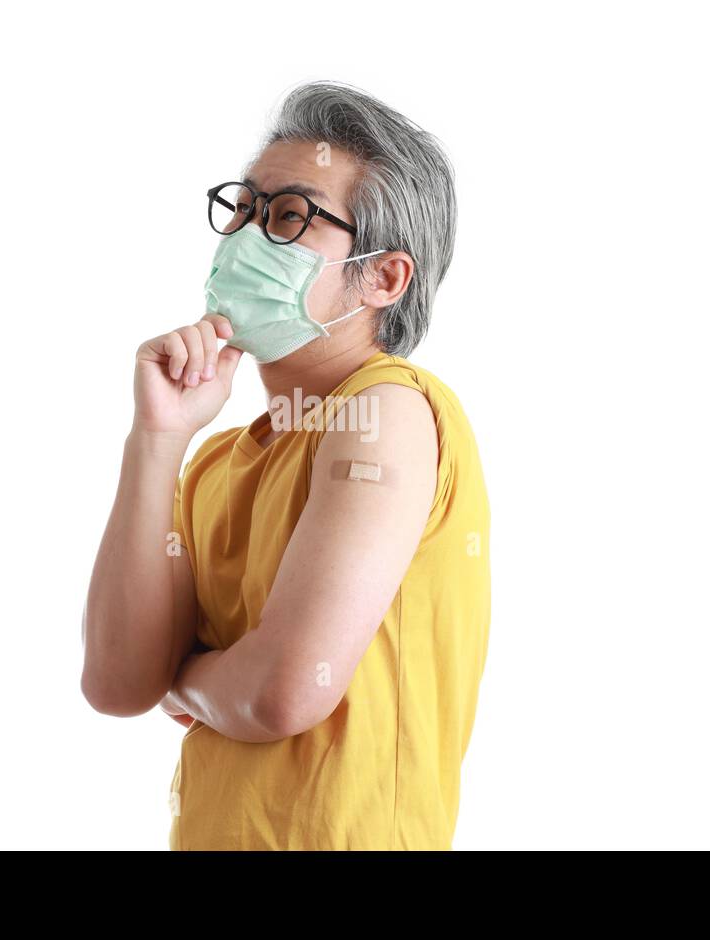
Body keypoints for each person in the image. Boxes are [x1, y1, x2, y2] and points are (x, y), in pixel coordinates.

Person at [81, 81, 490, 850]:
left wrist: (185, 679)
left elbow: (280, 693)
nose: (244, 235)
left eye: (290, 215)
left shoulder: (388, 412)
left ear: (383, 277)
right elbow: (114, 682)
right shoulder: (216, 462)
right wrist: (157, 440)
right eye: (244, 207)